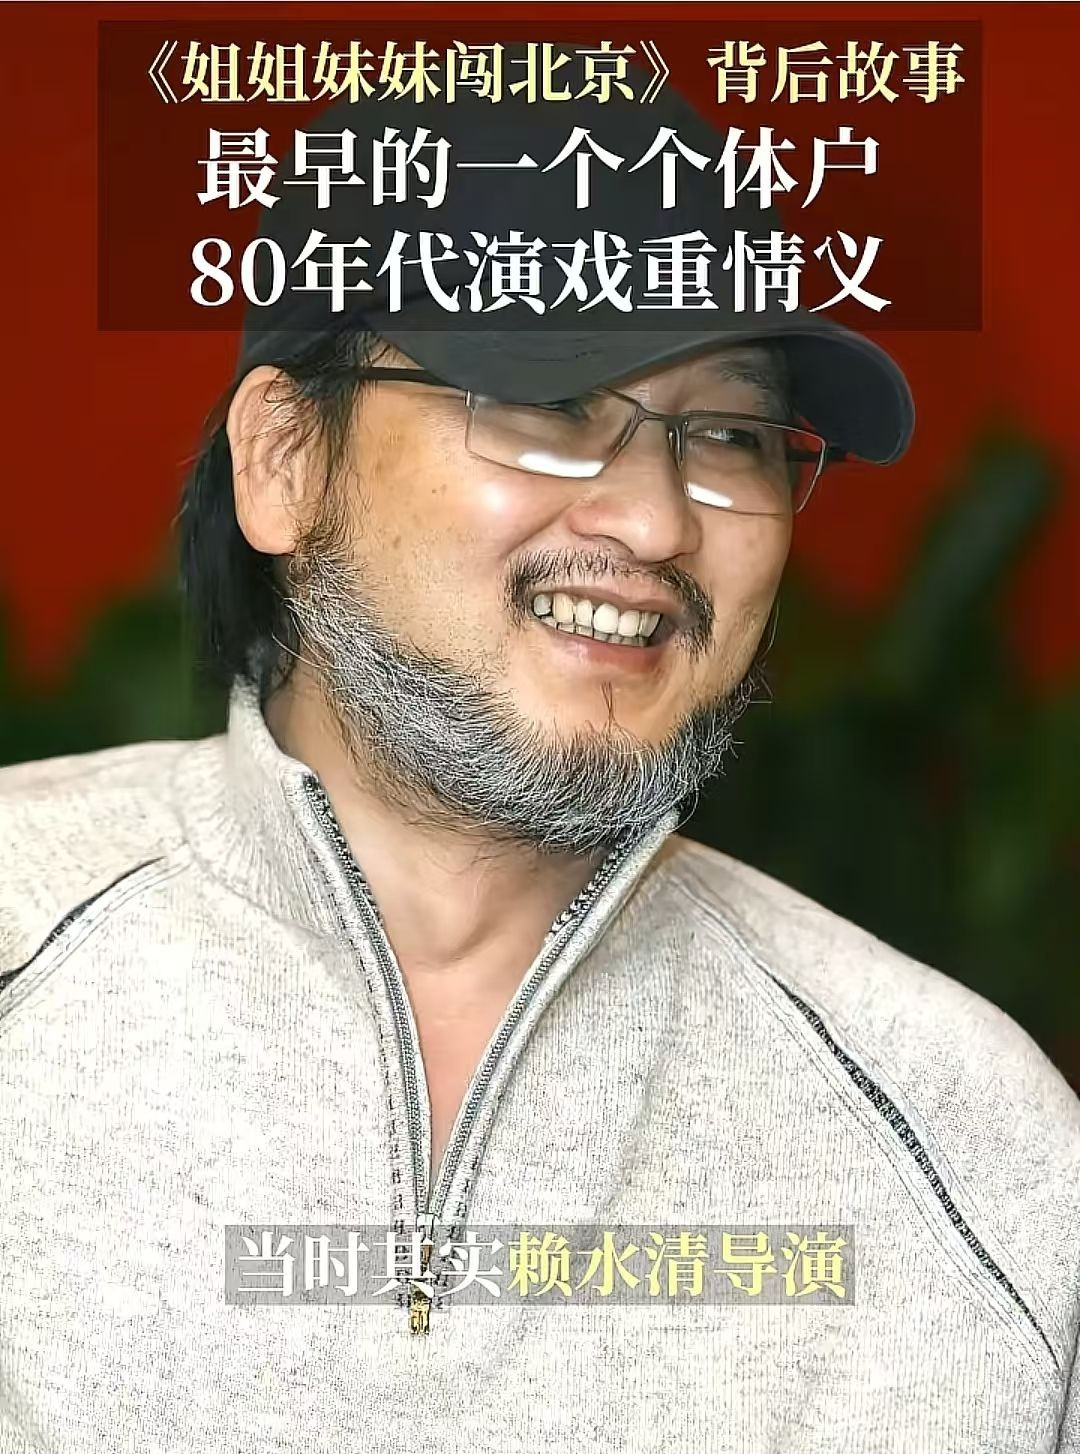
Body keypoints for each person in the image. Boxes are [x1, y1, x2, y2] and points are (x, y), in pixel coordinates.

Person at [0, 80, 1077, 1454]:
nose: (655, 520)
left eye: (729, 436)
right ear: (281, 460)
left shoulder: (973, 1142)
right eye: (546, 399)